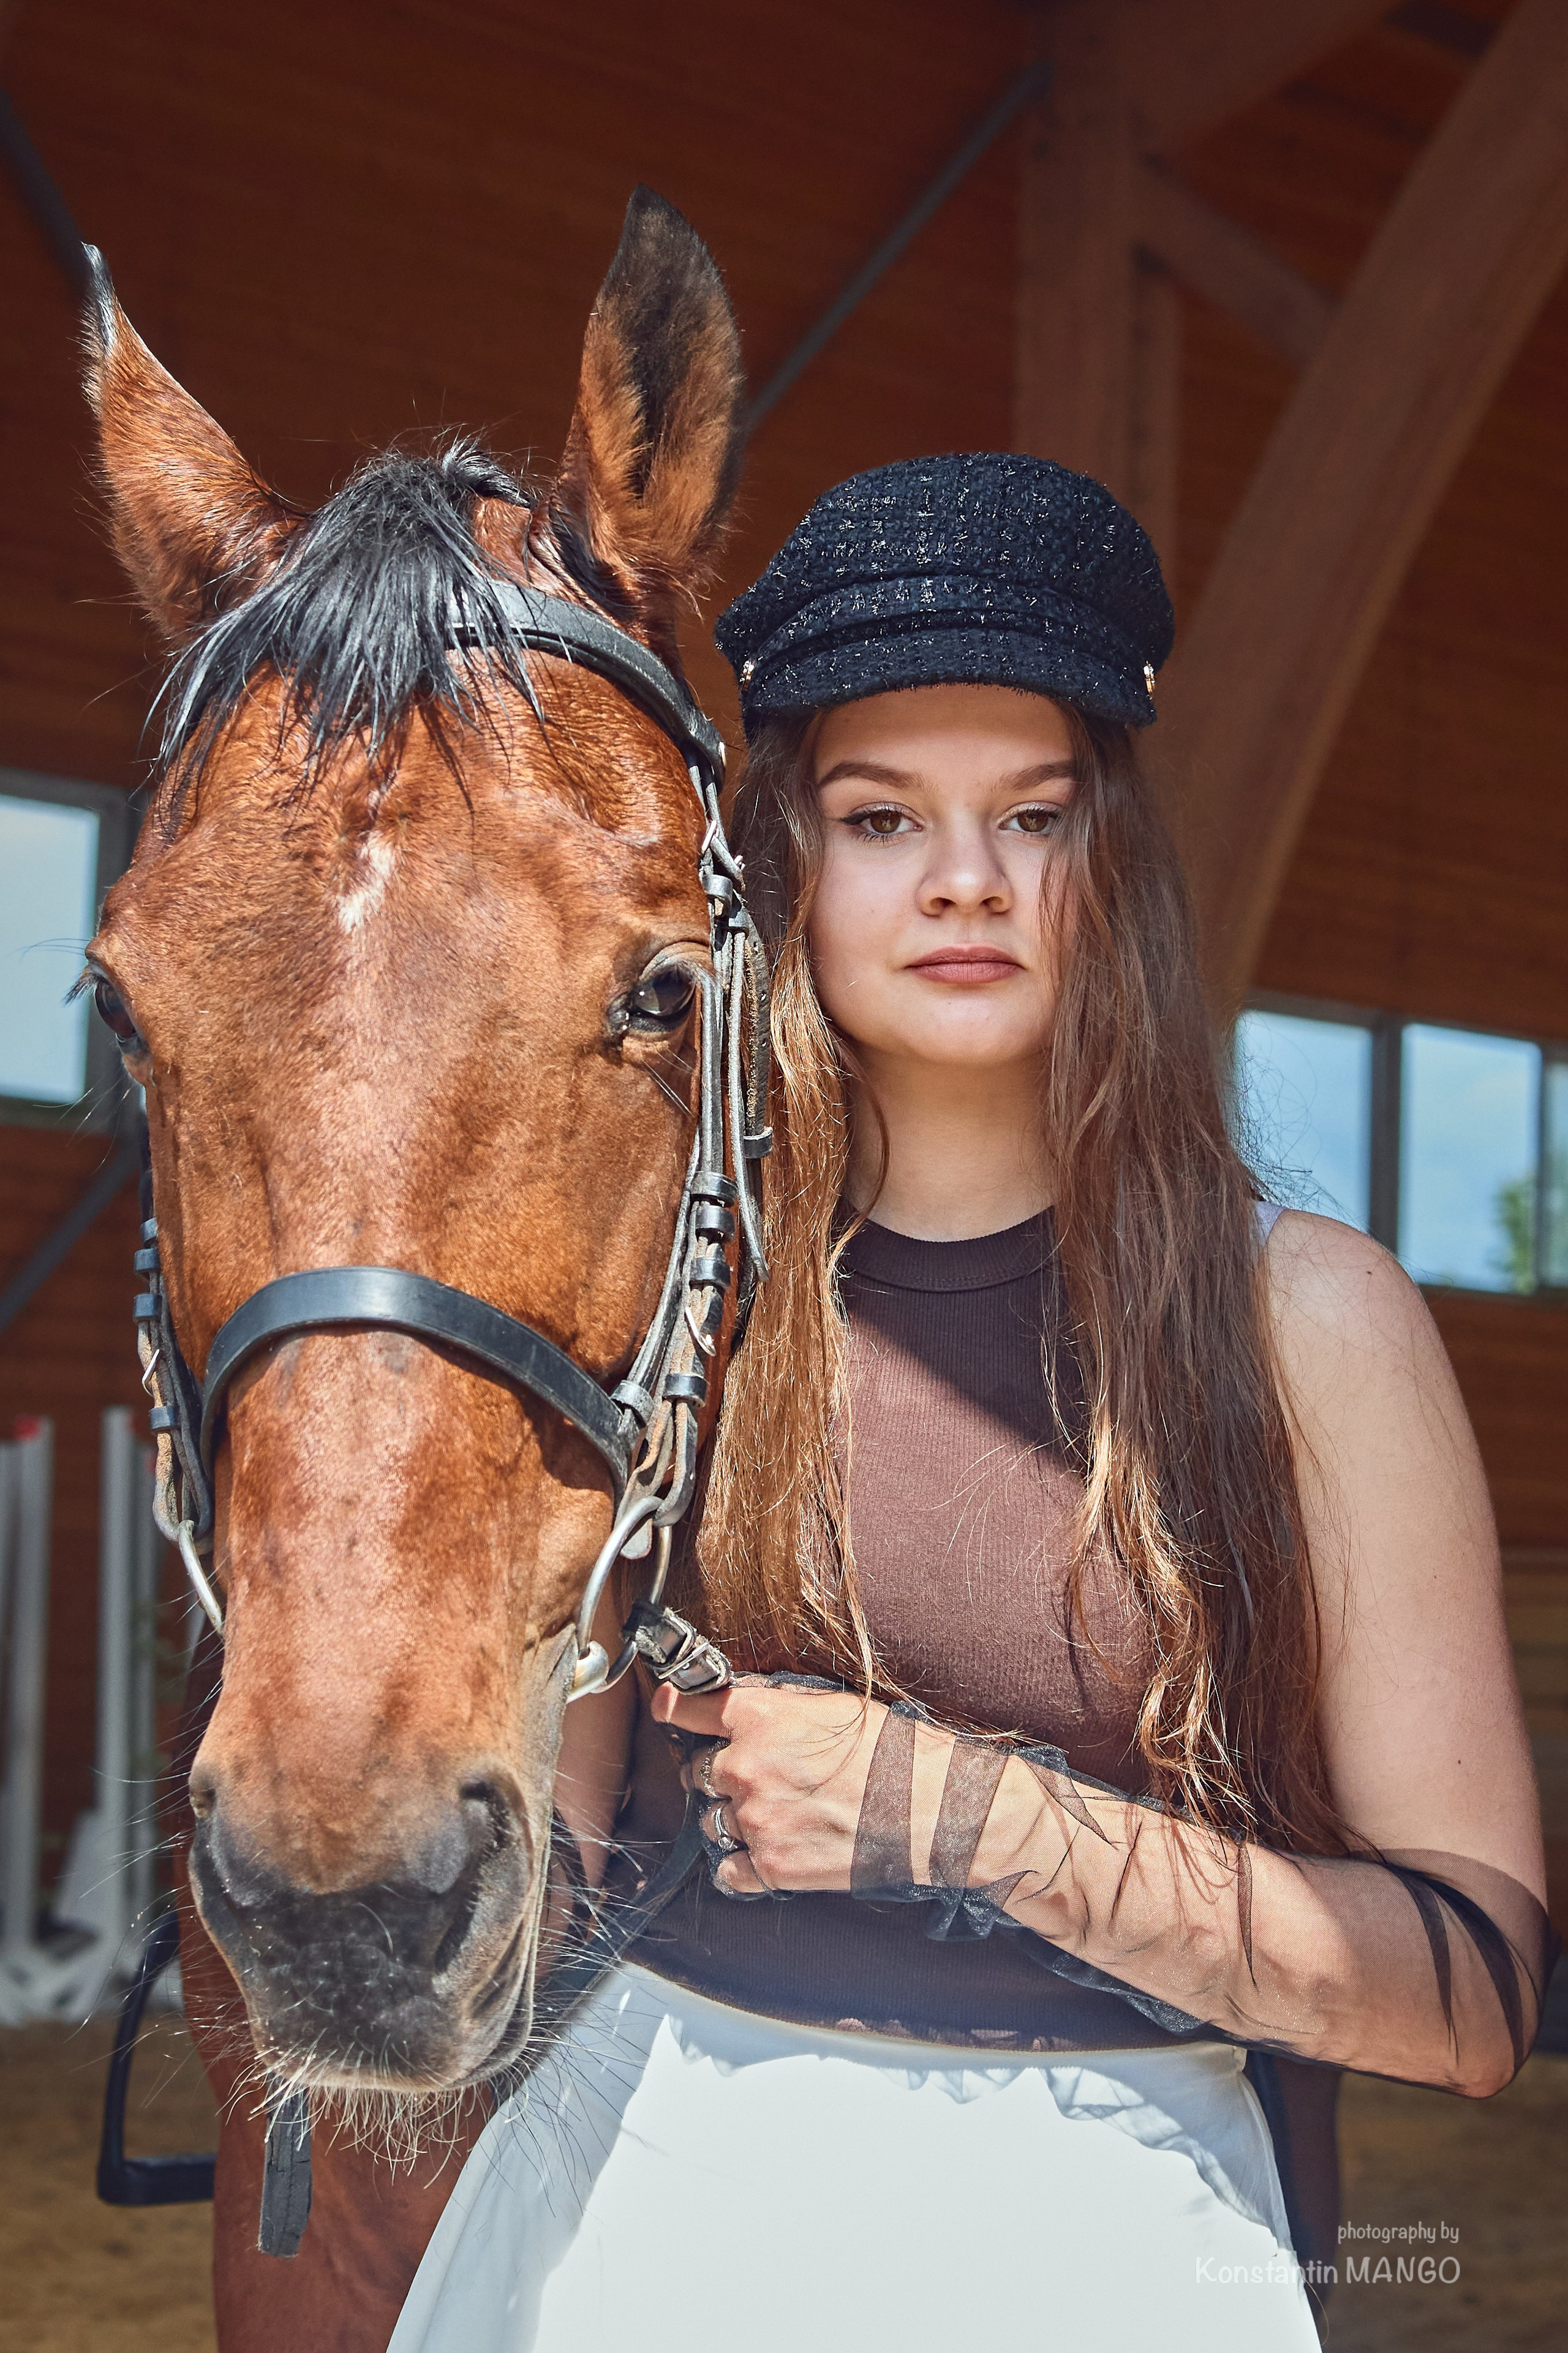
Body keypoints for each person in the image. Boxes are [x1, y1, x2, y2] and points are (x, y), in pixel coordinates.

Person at [389, 455, 1553, 2353]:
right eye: (880, 816)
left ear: (1120, 866)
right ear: (791, 866)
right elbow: (551, 1879)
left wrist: (963, 1816)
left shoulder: (1306, 1319)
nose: (963, 879)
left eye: (1035, 815)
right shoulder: (688, 1298)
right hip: (648, 2183)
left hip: (1104, 2217)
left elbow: (1474, 1997)